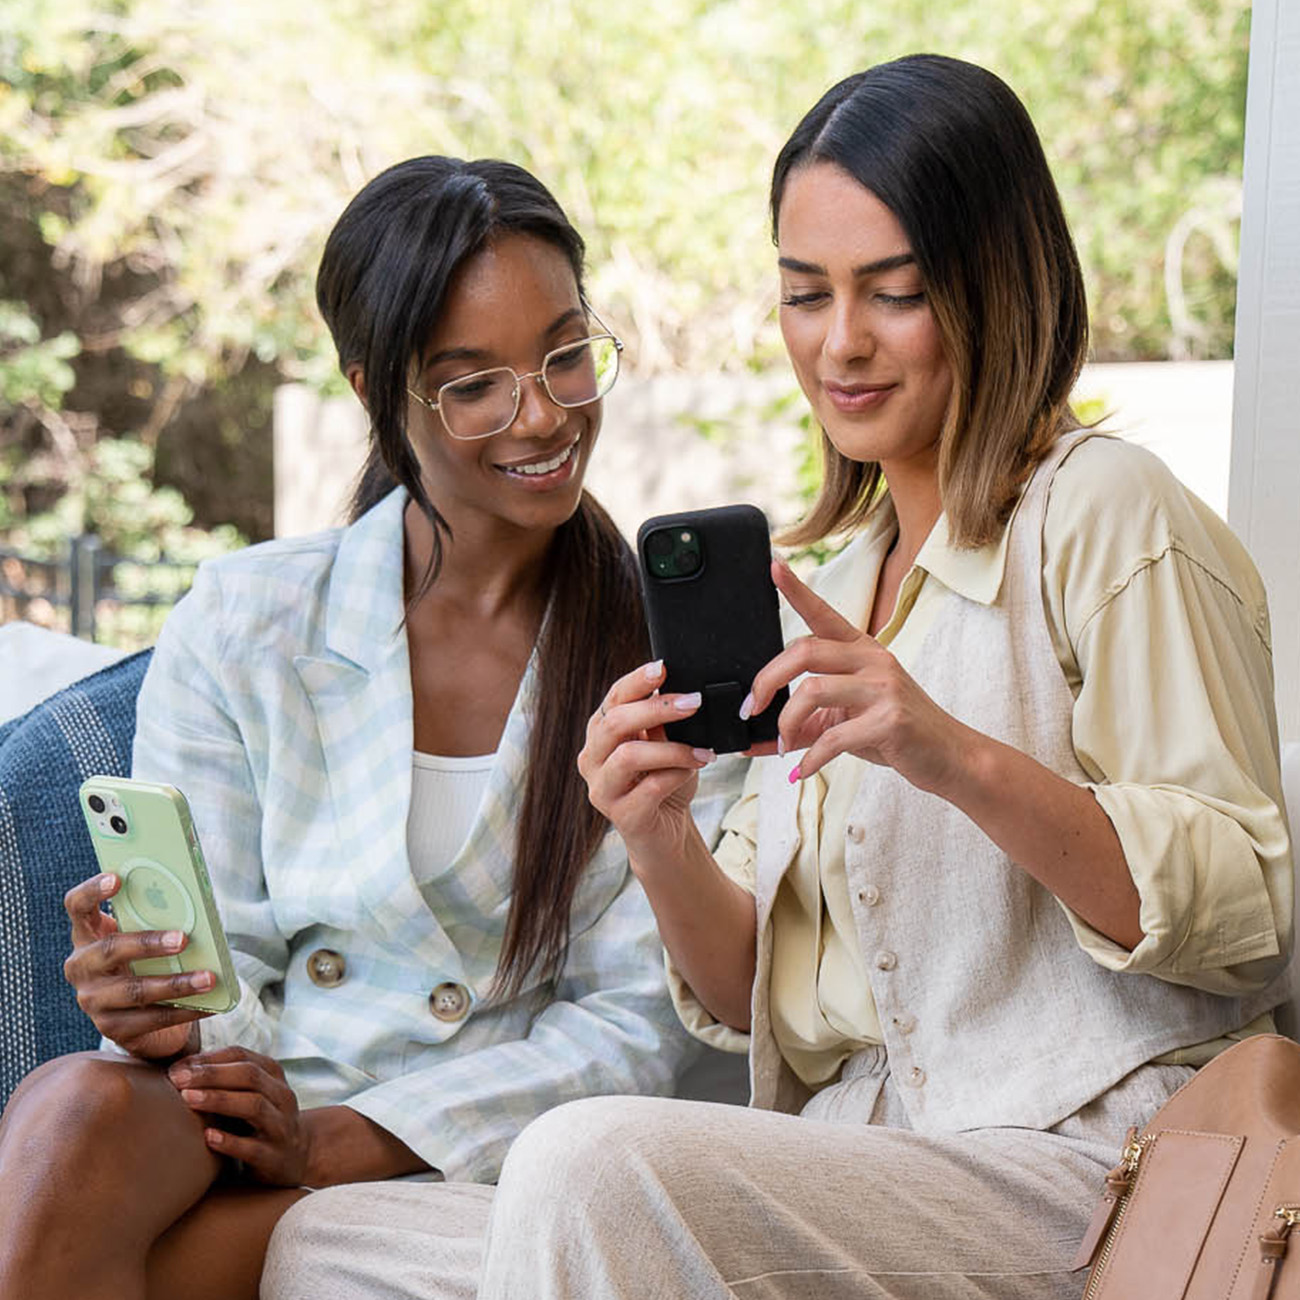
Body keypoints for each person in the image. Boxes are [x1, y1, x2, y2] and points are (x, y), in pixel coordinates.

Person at [261, 53, 1292, 1300]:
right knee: (336, 1240)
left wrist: (948, 752)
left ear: (995, 286)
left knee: (590, 1163)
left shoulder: (1105, 515)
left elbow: (1245, 912)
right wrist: (653, 839)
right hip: (858, 1156)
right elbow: (748, 990)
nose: (840, 343)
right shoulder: (830, 577)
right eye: (805, 295)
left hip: (1084, 1165)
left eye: (894, 293)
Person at [0, 156, 730, 1300]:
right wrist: (150, 1001)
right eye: (471, 382)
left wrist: (350, 1136)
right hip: (238, 1116)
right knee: (71, 1104)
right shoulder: (248, 617)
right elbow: (216, 955)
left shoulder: (661, 657)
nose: (541, 412)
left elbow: (637, 1025)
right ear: (375, 388)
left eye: (565, 354)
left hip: (468, 1157)